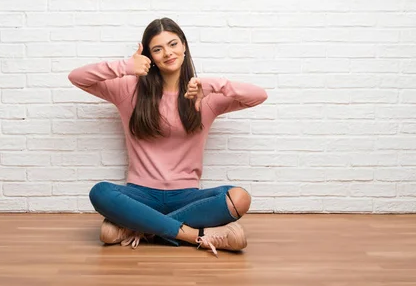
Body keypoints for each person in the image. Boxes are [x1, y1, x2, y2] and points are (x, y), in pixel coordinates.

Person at [68, 18, 268, 257]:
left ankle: (140, 228)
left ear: (184, 45)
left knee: (240, 198)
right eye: (157, 49)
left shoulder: (204, 94)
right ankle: (196, 235)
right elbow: (77, 77)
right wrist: (126, 66)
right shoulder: (128, 90)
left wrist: (212, 84)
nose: (168, 53)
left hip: (187, 197)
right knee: (100, 192)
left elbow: (259, 96)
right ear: (150, 56)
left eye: (173, 44)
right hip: (140, 195)